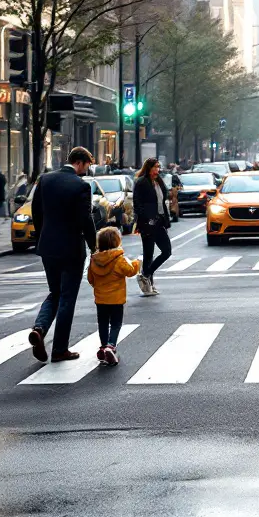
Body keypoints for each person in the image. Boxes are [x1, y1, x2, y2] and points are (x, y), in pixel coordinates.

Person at [29, 146, 98, 363]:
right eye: (87, 166)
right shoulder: (81, 186)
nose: (86, 171)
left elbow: (36, 211)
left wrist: (42, 236)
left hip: (48, 247)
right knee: (67, 297)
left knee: (54, 292)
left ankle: (39, 328)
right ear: (80, 162)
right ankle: (59, 349)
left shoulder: (45, 180)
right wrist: (94, 246)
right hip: (71, 248)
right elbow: (85, 220)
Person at [87, 226, 141, 366]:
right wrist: (136, 263)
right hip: (116, 300)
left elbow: (90, 279)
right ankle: (111, 346)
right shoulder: (119, 259)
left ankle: (103, 346)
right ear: (117, 242)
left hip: (100, 299)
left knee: (103, 323)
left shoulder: (94, 260)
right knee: (116, 324)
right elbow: (130, 271)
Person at [133, 157, 172, 297]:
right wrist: (146, 218)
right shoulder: (141, 182)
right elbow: (137, 204)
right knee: (148, 254)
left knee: (166, 251)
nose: (157, 169)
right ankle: (148, 284)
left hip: (159, 221)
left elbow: (163, 200)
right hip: (147, 223)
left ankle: (146, 275)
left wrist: (165, 220)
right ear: (148, 168)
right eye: (155, 167)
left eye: (158, 167)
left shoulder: (159, 181)